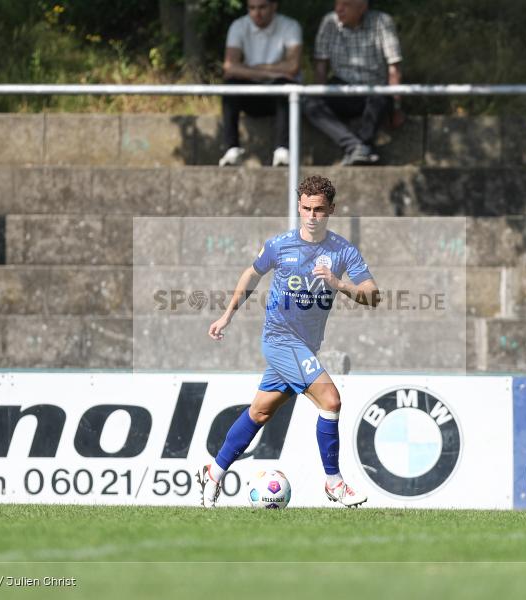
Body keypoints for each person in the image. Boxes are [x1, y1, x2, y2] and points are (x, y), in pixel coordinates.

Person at [198, 174, 379, 508]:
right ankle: (334, 484)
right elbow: (251, 275)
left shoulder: (342, 251)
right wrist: (226, 316)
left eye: (319, 210)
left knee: (260, 412)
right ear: (299, 206)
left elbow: (373, 295)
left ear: (331, 210)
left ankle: (215, 472)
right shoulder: (280, 245)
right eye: (306, 208)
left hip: (305, 347)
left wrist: (339, 284)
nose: (312, 216)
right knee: (331, 400)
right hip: (280, 340)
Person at [303, 0, 403, 166]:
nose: (339, 9)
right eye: (336, 4)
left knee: (382, 96)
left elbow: (394, 68)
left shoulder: (382, 22)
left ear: (362, 7)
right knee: (307, 101)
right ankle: (357, 146)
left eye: (346, 4)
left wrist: (397, 107)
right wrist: (319, 95)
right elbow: (321, 65)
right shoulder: (329, 22)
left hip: (374, 91)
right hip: (340, 89)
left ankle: (361, 146)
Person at [219, 0, 302, 168]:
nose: (257, 13)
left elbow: (293, 67)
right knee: (230, 86)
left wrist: (251, 69)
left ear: (274, 6)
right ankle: (232, 149)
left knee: (285, 86)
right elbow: (229, 67)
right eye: (252, 8)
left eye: (262, 7)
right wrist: (269, 72)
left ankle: (282, 150)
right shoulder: (238, 26)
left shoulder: (290, 26)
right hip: (251, 93)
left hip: (278, 95)